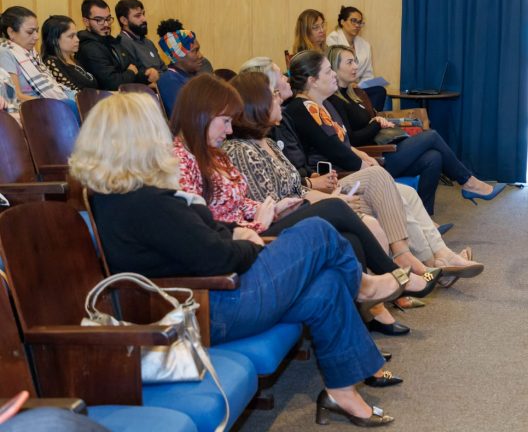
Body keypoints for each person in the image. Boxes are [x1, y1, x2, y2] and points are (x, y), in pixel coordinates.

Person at [70, 91, 403, 427]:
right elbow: (217, 258)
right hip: (211, 309)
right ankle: (363, 286)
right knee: (317, 230)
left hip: (213, 299)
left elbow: (201, 236)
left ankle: (341, 392)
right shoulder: (146, 203)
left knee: (327, 285)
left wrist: (236, 232)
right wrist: (250, 244)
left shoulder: (121, 198)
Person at [168, 73, 438, 300]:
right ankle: (396, 275)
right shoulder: (184, 161)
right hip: (250, 240)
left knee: (353, 235)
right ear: (202, 115)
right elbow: (206, 228)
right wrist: (261, 219)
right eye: (225, 121)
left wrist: (274, 208)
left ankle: (378, 300)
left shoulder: (214, 153)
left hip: (261, 223)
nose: (228, 130)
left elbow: (241, 202)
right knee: (336, 208)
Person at [227, 68, 483, 282]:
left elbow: (299, 184)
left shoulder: (272, 141)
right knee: (395, 175)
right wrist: (329, 194)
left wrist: (329, 193)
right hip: (305, 204)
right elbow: (272, 204)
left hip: (316, 192)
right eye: (272, 94)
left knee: (404, 189)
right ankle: (419, 264)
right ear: (257, 105)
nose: (279, 96)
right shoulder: (249, 146)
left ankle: (435, 259)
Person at [287, 49, 506, 215]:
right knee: (431, 136)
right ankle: (468, 182)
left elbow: (341, 143)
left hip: (364, 157)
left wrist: (361, 153)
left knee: (433, 158)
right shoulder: (306, 107)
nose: (334, 75)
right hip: (352, 168)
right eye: (329, 71)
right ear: (312, 80)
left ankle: (428, 218)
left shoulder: (327, 103)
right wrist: (365, 159)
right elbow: (335, 148)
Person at [77, 0, 155, 90]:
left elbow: (134, 66)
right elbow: (112, 83)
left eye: (108, 19)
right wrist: (131, 72)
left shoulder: (110, 40)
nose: (106, 24)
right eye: (99, 20)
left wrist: (146, 75)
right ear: (86, 21)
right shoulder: (89, 48)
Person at [0, 6, 72, 103]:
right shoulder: (4, 52)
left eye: (37, 31)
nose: (36, 37)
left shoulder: (31, 52)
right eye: (30, 32)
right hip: (35, 107)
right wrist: (52, 103)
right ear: (11, 32)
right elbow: (16, 96)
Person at [326, 5, 386, 110]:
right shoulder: (332, 40)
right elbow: (332, 68)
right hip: (339, 86)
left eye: (360, 22)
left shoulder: (365, 45)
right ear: (342, 21)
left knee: (379, 91)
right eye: (353, 21)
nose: (357, 25)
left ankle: (372, 116)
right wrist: (349, 83)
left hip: (357, 87)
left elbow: (368, 74)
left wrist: (360, 84)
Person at [41, 15, 98, 93]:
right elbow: (72, 92)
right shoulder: (51, 63)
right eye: (71, 36)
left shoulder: (73, 60)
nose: (77, 40)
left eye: (76, 35)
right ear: (54, 40)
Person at [156, 25, 204, 114]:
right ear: (178, 56)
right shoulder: (169, 81)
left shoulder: (192, 76)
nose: (201, 55)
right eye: (195, 51)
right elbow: (183, 117)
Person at [116, 0, 166, 76]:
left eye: (143, 14)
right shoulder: (122, 43)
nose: (144, 19)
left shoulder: (148, 42)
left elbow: (163, 68)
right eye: (138, 16)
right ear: (124, 20)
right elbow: (140, 74)